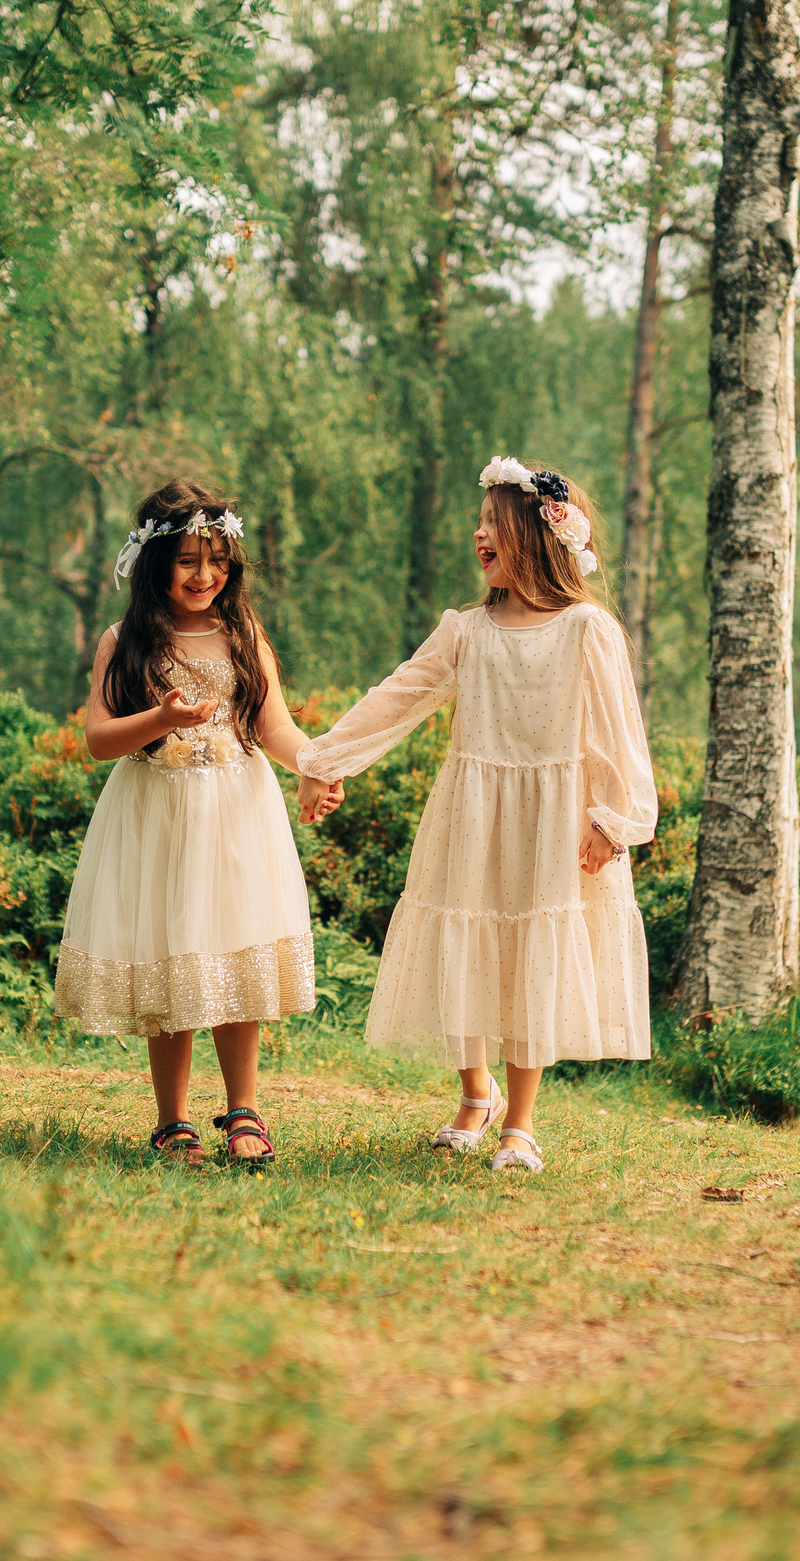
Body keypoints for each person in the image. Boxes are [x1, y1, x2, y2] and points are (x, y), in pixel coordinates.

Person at [292, 456, 655, 1173]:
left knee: (530, 957)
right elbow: (399, 695)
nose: (480, 535)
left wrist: (613, 823)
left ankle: (520, 1121)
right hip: (474, 815)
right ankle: (474, 1091)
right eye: (479, 523)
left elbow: (620, 735)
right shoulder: (467, 630)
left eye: (494, 524)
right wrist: (323, 758)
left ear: (537, 533)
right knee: (467, 940)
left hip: (554, 823)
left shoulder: (588, 629)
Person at [54, 480, 342, 1168]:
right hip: (158, 813)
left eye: (216, 559)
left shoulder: (243, 635)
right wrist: (163, 719)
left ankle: (244, 1107)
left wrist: (313, 763)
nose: (205, 574)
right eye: (187, 559)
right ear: (155, 562)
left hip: (238, 815)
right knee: (169, 957)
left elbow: (274, 725)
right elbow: (98, 738)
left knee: (235, 951)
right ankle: (172, 1119)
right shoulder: (124, 639)